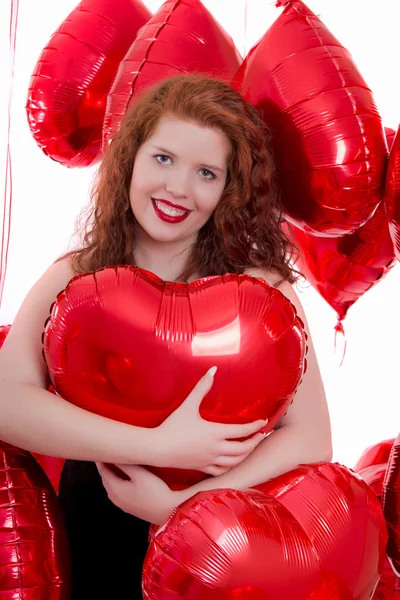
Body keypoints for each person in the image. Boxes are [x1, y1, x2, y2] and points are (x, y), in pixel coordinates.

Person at [0, 74, 332, 598]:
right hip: (96, 517)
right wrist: (158, 445)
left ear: (229, 188)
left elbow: (312, 437)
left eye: (206, 172)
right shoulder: (74, 275)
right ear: (131, 158)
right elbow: (6, 403)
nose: (178, 188)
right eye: (163, 159)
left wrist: (181, 506)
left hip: (222, 538)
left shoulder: (264, 291)